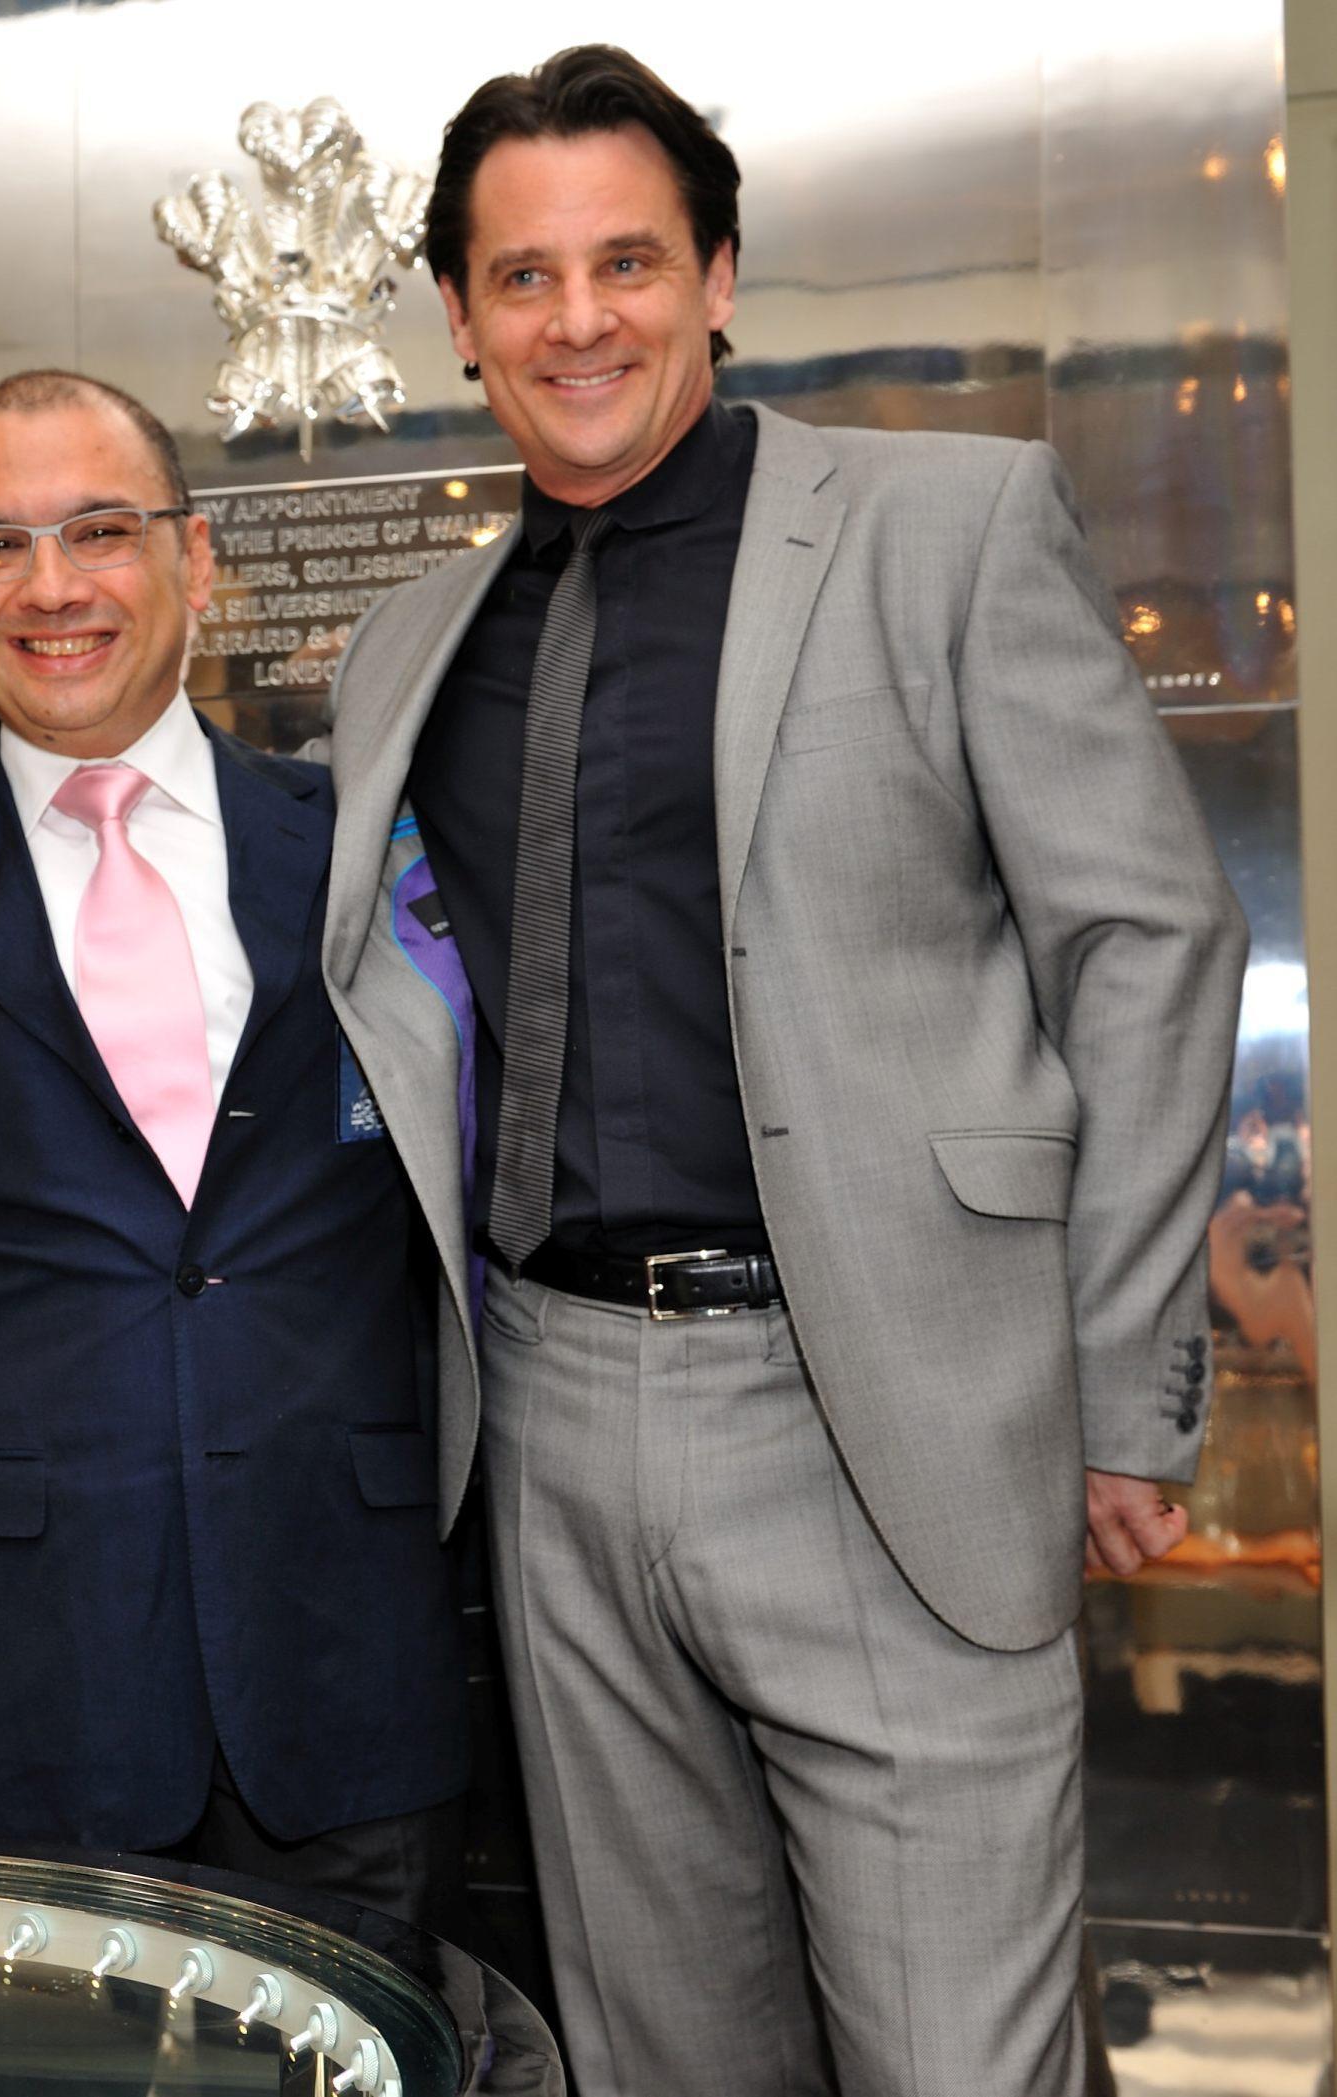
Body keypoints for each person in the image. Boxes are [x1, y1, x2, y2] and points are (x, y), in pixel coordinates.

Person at [320, 45, 1245, 2093]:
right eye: (523, 276)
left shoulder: (943, 526)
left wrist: (1119, 1387)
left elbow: (1149, 940)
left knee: (957, 2058)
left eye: (628, 262)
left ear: (719, 276)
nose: (578, 319)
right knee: (662, 2056)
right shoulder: (407, 652)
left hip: (889, 1411)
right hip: (552, 1423)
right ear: (459, 316)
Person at [0, 370, 469, 1931]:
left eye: (99, 529)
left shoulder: (366, 847)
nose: (51, 587)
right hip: (9, 1689)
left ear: (196, 558)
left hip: (352, 1654)